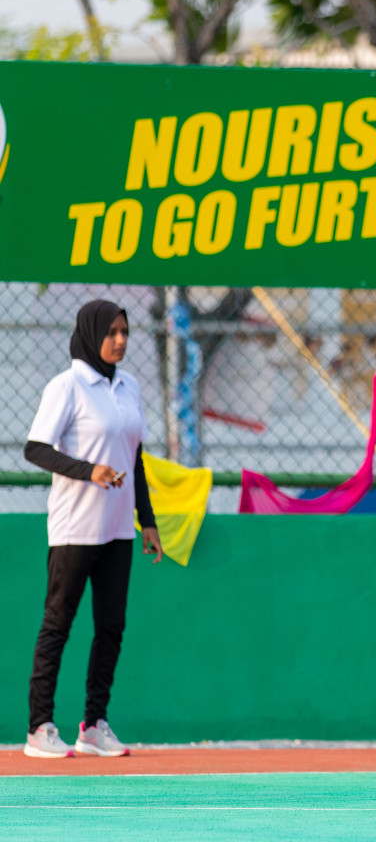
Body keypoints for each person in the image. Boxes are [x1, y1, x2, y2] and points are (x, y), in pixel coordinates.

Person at [23, 300, 164, 759]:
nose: (120, 340)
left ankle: (93, 725)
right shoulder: (66, 387)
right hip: (74, 529)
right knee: (57, 626)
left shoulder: (129, 387)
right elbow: (35, 450)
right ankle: (39, 727)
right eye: (111, 332)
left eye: (124, 331)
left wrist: (148, 521)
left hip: (119, 528)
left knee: (111, 627)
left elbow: (135, 457)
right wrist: (90, 471)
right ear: (91, 334)